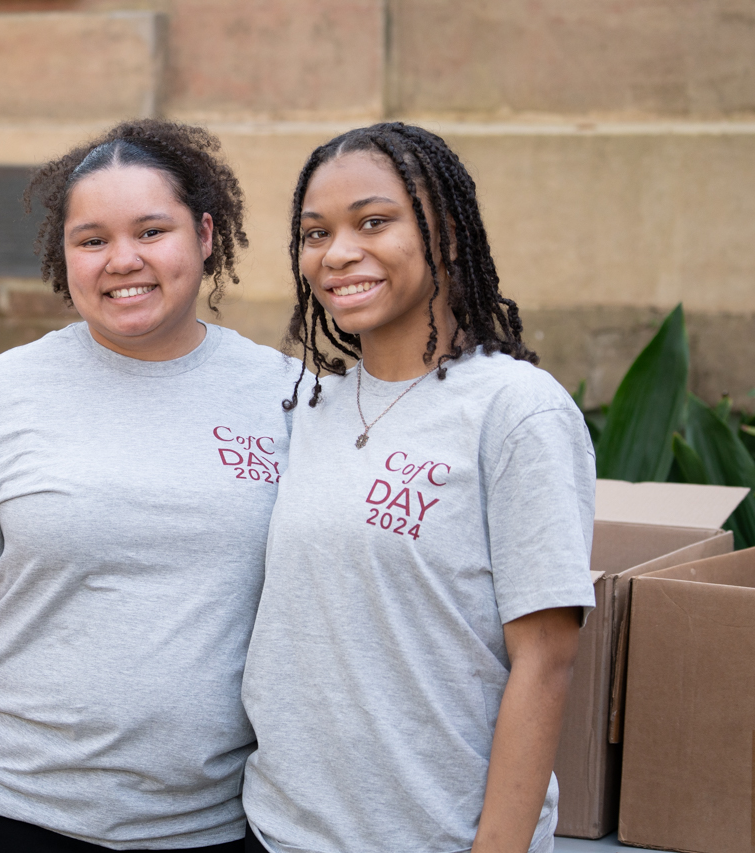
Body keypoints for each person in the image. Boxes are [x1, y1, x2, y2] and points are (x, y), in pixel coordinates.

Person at [0, 120, 295, 853]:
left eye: (152, 231)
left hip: (214, 826)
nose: (123, 261)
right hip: (19, 815)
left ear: (206, 235)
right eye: (92, 240)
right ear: (64, 254)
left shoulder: (285, 397)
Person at [240, 122, 596, 853]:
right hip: (277, 832)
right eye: (315, 233)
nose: (337, 253)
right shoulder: (309, 408)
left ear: (449, 233)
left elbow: (547, 658)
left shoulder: (515, 409)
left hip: (434, 836)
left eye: (374, 222)